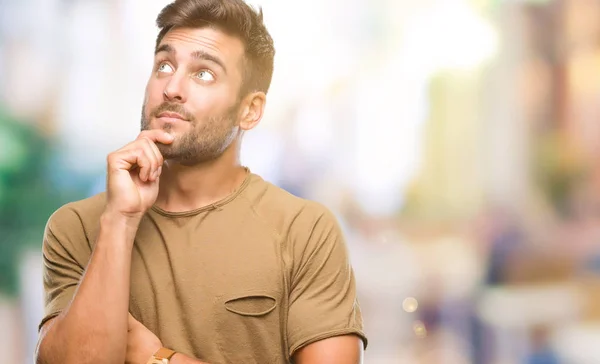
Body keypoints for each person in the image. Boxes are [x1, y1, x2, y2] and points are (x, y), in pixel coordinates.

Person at [34, 0, 367, 363]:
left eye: (203, 73)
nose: (172, 88)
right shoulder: (78, 227)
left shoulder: (304, 231)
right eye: (164, 65)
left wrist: (159, 358)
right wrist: (120, 222)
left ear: (250, 109)